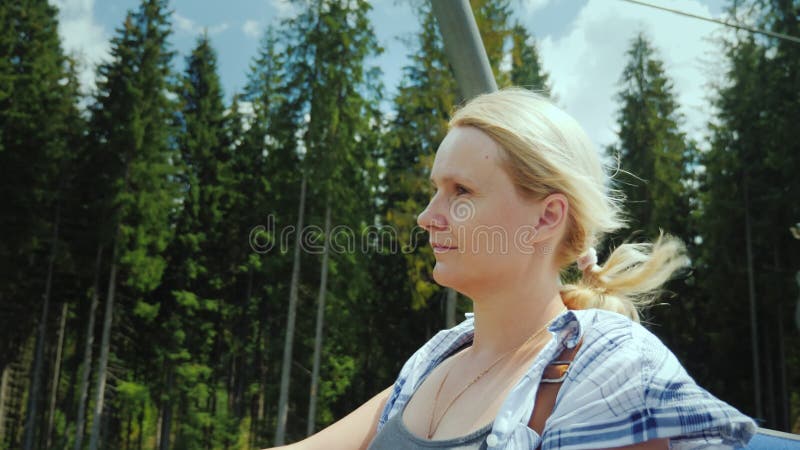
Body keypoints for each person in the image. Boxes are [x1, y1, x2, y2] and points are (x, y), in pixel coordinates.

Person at [270, 88, 757, 449]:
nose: (427, 217)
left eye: (461, 191)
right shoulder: (433, 360)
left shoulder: (609, 370)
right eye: (436, 189)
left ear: (546, 218)